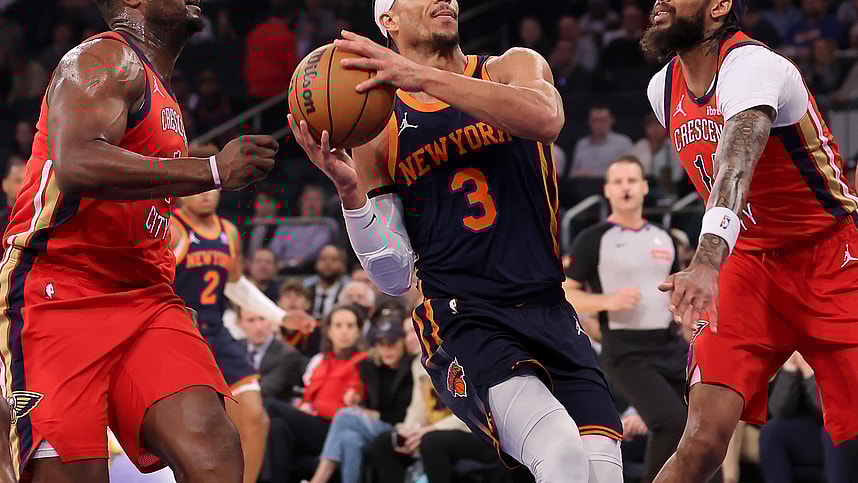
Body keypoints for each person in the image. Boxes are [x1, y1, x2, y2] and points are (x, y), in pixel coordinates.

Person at [288, 0, 624, 480]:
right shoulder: (378, 127)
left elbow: (546, 119)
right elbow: (393, 273)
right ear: (389, 21)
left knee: (603, 473)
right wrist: (350, 195)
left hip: (549, 306)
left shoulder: (513, 65)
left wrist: (419, 76)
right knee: (561, 454)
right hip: (465, 317)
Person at [0, 0, 281, 480]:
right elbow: (75, 164)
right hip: (58, 290)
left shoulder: (160, 88)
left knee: (214, 445)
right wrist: (212, 170)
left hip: (145, 297)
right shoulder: (103, 60)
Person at [641, 0, 858, 480]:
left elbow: (735, 164)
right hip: (749, 266)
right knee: (700, 440)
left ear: (719, 6)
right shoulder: (662, 89)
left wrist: (705, 261)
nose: (659, 0)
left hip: (832, 257)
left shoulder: (755, 66)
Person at [170, 189, 313, 483]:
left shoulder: (229, 232)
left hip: (216, 332)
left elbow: (234, 285)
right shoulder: (171, 228)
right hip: (176, 332)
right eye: (196, 187)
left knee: (255, 417)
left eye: (211, 186)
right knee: (187, 427)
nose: (205, 194)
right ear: (182, 192)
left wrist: (281, 316)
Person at [565, 156, 687, 483]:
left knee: (700, 427)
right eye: (618, 182)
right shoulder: (593, 238)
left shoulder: (665, 237)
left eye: (632, 180)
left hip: (670, 345)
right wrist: (607, 301)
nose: (626, 188)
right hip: (625, 351)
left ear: (645, 187)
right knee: (670, 420)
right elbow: (565, 291)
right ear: (607, 190)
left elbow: (672, 287)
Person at [306, 316, 415, 483]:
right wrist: (357, 397)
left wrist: (371, 414)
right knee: (350, 439)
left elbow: (401, 414)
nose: (387, 350)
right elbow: (360, 390)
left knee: (344, 416)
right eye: (381, 344)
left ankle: (318, 480)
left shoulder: (410, 370)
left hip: (399, 428)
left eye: (392, 344)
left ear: (402, 344)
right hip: (374, 427)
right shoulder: (371, 366)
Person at [238, 307, 304, 404]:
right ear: (240, 323)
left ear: (271, 320)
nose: (258, 327)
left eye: (262, 319)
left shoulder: (288, 355)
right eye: (251, 320)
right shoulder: (234, 348)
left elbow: (267, 391)